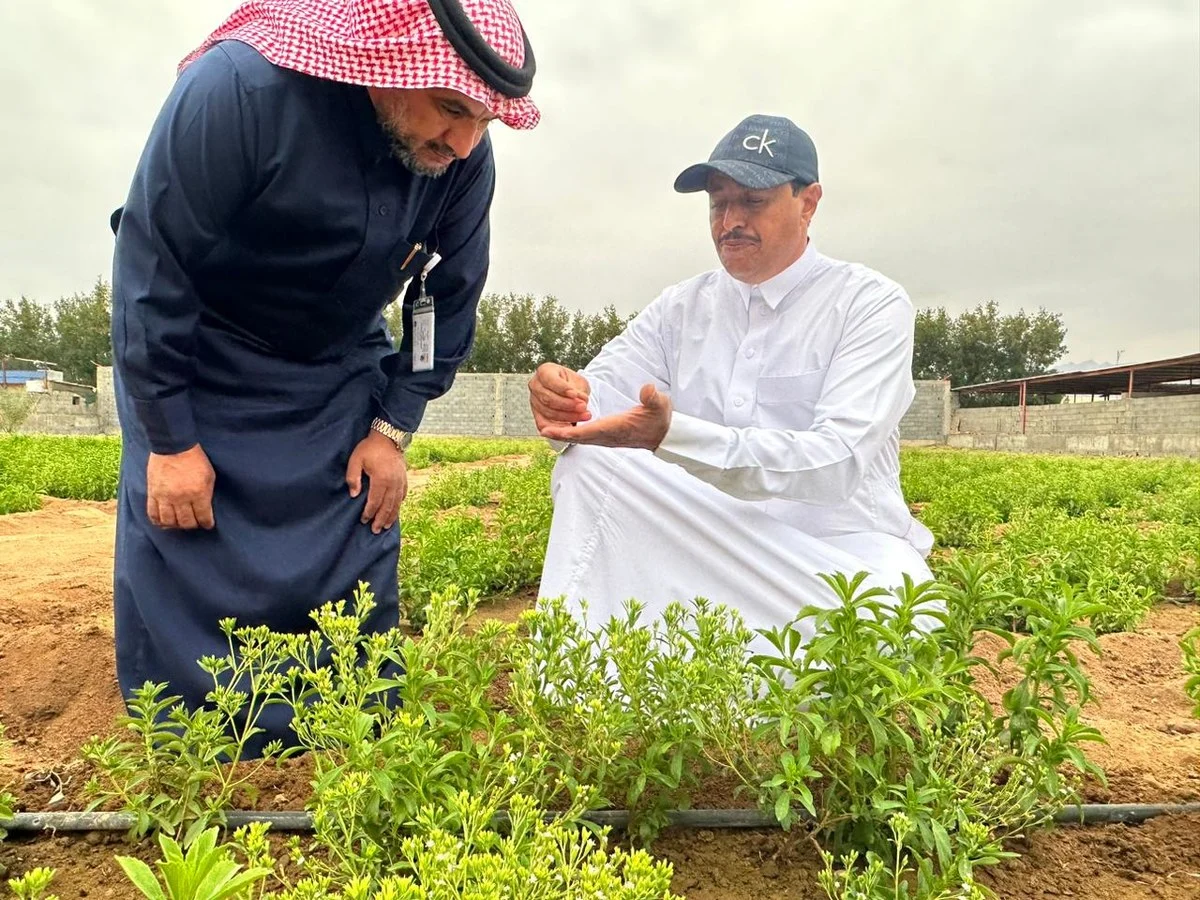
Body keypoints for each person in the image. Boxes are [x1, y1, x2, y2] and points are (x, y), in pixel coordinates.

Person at [109, 0, 538, 752]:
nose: (465, 142)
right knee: (185, 532)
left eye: (485, 121)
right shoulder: (239, 91)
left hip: (338, 356)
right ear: (385, 65)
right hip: (203, 348)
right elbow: (153, 268)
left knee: (355, 517)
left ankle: (342, 730)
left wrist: (393, 426)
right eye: (449, 109)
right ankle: (197, 744)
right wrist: (170, 441)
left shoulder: (459, 161)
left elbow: (449, 291)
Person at [528, 114, 941, 656]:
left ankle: (693, 657)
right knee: (589, 465)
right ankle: (586, 680)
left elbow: (837, 461)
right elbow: (597, 395)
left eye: (752, 201)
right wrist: (564, 395)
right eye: (718, 203)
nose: (730, 221)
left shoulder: (868, 304)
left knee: (896, 620)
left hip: (833, 554)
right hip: (712, 536)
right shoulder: (682, 307)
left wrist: (670, 436)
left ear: (808, 201)